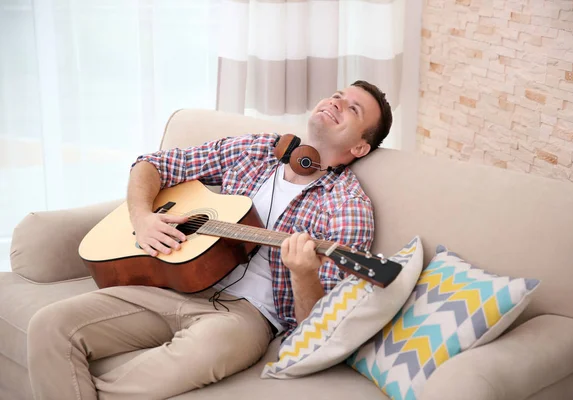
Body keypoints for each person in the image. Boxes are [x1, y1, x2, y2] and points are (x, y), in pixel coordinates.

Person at [27, 80, 393, 400]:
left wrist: (303, 274)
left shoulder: (348, 206)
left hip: (245, 317)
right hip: (174, 283)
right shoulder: (257, 150)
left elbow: (318, 327)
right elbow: (153, 164)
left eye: (352, 109)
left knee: (211, 346)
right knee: (49, 325)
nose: (335, 103)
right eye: (336, 95)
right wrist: (141, 219)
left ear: (360, 148)